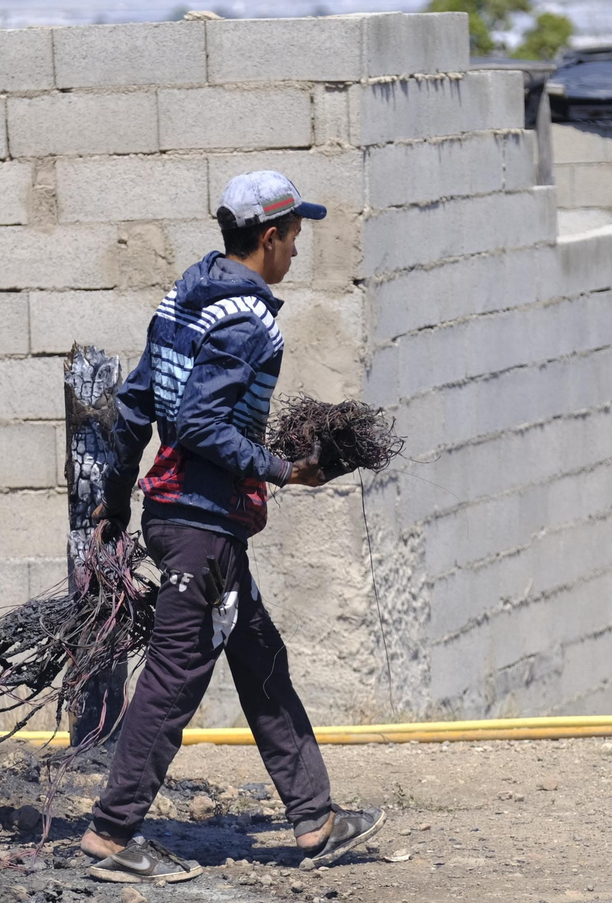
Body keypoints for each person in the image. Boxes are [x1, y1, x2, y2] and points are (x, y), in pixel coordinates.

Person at [79, 171, 384, 884]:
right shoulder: (250, 321)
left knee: (258, 656)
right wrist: (281, 467)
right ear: (270, 237)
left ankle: (317, 821)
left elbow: (133, 405)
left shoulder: (182, 298)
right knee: (176, 676)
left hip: (181, 516)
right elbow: (194, 422)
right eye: (296, 238)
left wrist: (116, 499)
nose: (298, 254)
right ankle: (111, 835)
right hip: (201, 524)